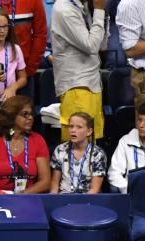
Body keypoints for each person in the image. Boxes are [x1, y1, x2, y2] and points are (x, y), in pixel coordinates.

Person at [51, 0, 108, 142]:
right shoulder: (65, 9)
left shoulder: (84, 6)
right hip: (76, 86)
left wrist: (100, 12)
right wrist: (99, 11)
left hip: (92, 83)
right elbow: (91, 46)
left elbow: (102, 45)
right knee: (77, 147)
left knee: (92, 144)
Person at [0, 95, 52, 194]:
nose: (30, 118)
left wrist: (22, 196)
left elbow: (45, 182)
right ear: (12, 116)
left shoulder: (38, 141)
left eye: (31, 114)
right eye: (25, 114)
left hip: (28, 198)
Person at [107, 101, 145, 193]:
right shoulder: (126, 141)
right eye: (139, 119)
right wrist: (128, 189)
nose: (141, 125)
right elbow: (114, 174)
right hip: (131, 194)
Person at [50, 112, 107, 193]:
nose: (73, 130)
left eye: (79, 127)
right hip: (63, 199)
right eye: (71, 126)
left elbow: (95, 189)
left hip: (88, 201)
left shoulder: (98, 154)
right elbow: (55, 184)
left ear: (89, 131)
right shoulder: (60, 150)